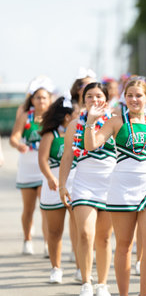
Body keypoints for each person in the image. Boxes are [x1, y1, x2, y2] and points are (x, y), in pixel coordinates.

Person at [84, 78, 146, 296]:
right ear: (124, 97)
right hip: (121, 188)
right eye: (130, 95)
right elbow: (91, 145)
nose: (134, 99)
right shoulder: (116, 121)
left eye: (139, 95)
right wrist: (91, 120)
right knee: (125, 246)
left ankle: (145, 293)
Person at [59, 82, 114, 296]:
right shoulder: (75, 125)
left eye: (98, 95)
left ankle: (102, 283)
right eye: (89, 96)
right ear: (83, 101)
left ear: (106, 100)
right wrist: (63, 185)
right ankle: (86, 282)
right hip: (84, 184)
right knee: (84, 233)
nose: (93, 100)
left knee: (105, 237)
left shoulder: (115, 121)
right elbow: (67, 157)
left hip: (109, 184)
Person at [10, 77, 53, 255]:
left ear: (50, 100)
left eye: (44, 98)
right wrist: (18, 144)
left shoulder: (53, 118)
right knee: (28, 208)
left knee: (45, 208)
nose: (41, 101)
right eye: (38, 98)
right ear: (32, 100)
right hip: (27, 166)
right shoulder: (26, 116)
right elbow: (14, 137)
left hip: (46, 167)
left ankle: (47, 244)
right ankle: (27, 240)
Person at [38, 95, 78, 283]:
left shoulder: (80, 132)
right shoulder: (50, 135)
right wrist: (50, 177)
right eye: (75, 112)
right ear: (67, 116)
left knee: (80, 229)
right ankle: (56, 268)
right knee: (55, 231)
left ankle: (81, 268)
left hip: (76, 183)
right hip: (53, 185)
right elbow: (42, 160)